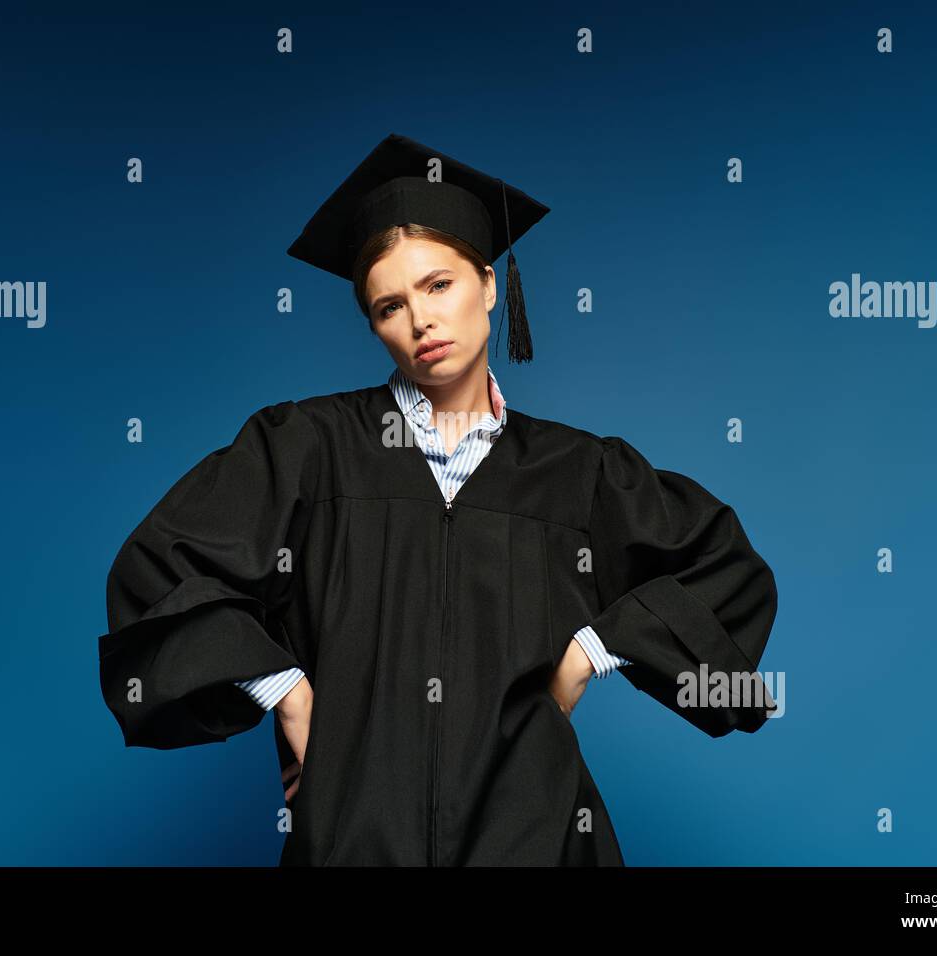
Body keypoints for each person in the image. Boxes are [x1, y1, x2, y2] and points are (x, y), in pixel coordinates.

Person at [97, 133, 780, 866]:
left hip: (539, 839)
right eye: (388, 305)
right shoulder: (306, 449)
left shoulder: (578, 472)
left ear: (488, 285)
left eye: (438, 285)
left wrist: (590, 652)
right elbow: (155, 572)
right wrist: (289, 693)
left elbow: (727, 571)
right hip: (352, 839)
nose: (419, 321)